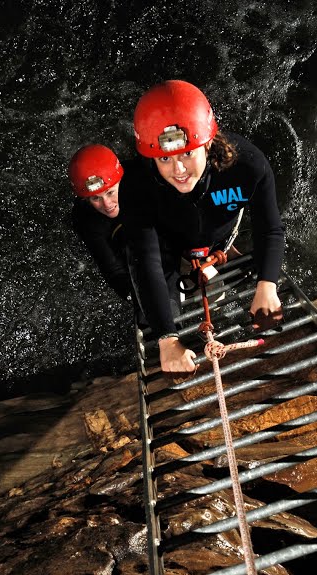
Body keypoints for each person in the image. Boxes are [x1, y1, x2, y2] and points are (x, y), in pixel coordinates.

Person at [121, 79, 286, 373]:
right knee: (154, 323)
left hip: (218, 243)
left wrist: (267, 284)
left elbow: (269, 228)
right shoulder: (137, 185)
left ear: (208, 144)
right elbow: (144, 260)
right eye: (164, 158)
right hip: (169, 250)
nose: (179, 170)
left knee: (264, 295)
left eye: (187, 153)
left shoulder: (247, 166)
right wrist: (167, 339)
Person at [67, 143, 149, 330]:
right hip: (120, 238)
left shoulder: (140, 179)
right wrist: (134, 295)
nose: (107, 204)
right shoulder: (86, 219)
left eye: (110, 192)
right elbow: (112, 268)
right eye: (96, 198)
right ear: (86, 200)